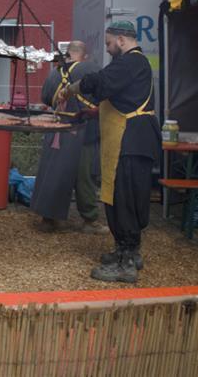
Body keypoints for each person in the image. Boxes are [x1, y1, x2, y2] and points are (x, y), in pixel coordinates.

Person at [59, 20, 161, 283]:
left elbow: (102, 82)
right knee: (127, 196)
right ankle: (128, 250)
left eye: (108, 43)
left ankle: (125, 264)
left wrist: (73, 87)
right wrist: (93, 113)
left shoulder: (131, 61)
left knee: (124, 198)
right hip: (135, 139)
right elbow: (125, 98)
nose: (108, 48)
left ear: (122, 40)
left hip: (130, 140)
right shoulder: (137, 64)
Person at [31, 41, 105, 233]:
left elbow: (47, 98)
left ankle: (49, 218)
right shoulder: (90, 68)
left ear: (68, 53)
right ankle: (89, 220)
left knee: (53, 173)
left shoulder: (54, 73)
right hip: (83, 129)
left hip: (57, 129)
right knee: (84, 176)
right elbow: (102, 95)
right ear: (84, 55)